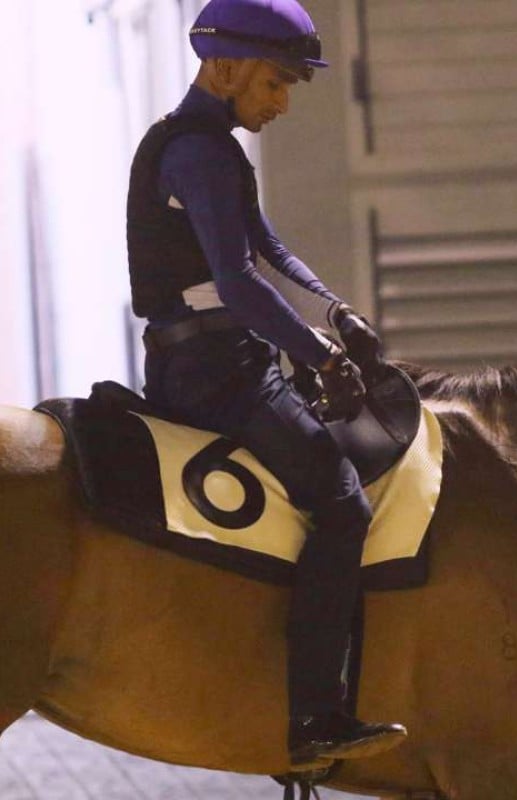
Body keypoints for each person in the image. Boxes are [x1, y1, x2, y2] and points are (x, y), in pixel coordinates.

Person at [126, 0, 405, 768]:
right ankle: (315, 716)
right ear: (224, 67)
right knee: (343, 503)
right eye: (275, 83)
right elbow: (240, 282)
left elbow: (268, 245)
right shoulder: (201, 153)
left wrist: (336, 309)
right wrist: (321, 356)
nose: (282, 102)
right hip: (215, 370)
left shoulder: (208, 146)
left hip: (208, 356)